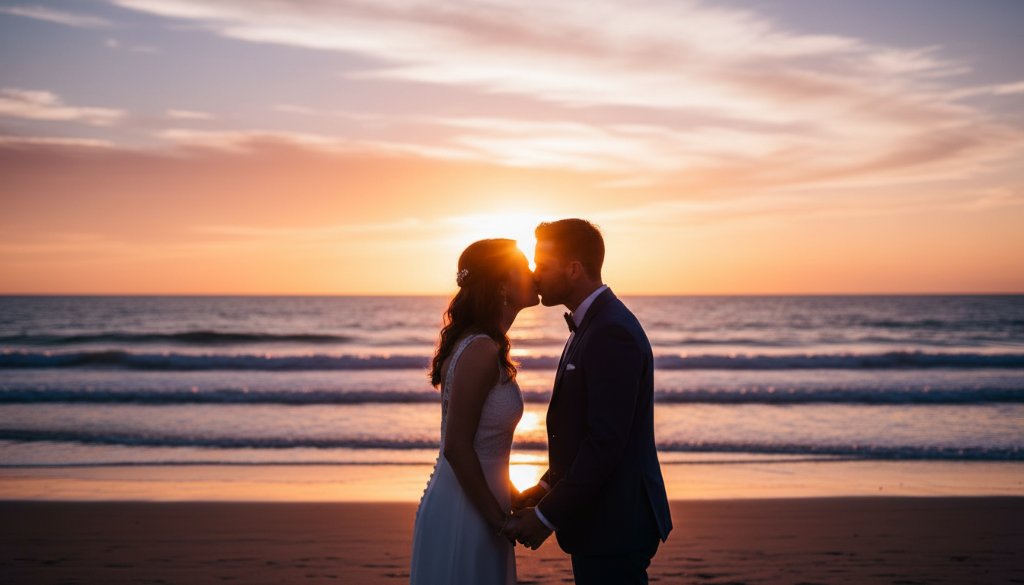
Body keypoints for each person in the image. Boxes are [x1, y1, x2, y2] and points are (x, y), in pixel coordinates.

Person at [503, 219, 672, 584]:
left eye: (542, 265)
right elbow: (582, 433)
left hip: (616, 521)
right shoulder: (592, 324)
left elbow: (605, 442)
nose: (535, 274)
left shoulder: (611, 331)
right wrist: (546, 487)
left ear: (573, 269)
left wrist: (546, 516)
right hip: (601, 519)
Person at [409, 238, 539, 585]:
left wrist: (511, 495)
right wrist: (499, 520)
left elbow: (484, 445)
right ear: (502, 285)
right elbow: (457, 446)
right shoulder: (480, 349)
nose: (534, 273)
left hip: (480, 503)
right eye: (524, 267)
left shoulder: (484, 344)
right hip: (465, 512)